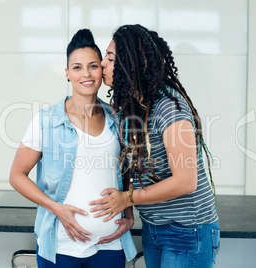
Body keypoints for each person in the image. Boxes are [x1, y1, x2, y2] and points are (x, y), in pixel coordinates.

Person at [89, 24, 220, 268]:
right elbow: (129, 164)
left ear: (132, 64)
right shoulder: (129, 107)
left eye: (109, 57)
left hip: (188, 231)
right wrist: (128, 210)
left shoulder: (168, 107)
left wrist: (126, 199)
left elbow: (186, 181)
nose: (102, 63)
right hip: (154, 227)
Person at [9, 28, 136, 268]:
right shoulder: (46, 120)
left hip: (109, 244)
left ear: (102, 69)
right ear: (67, 74)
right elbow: (16, 176)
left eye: (93, 66)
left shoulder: (118, 118)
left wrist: (128, 211)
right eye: (77, 67)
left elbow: (126, 169)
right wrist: (56, 209)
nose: (86, 74)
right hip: (61, 245)